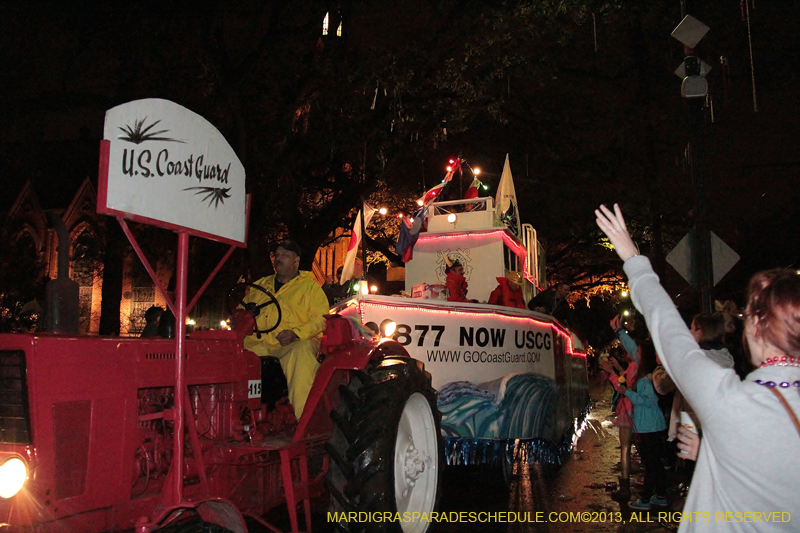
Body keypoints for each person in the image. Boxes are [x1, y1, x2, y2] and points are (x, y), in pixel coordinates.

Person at [596, 203, 800, 530]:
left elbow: (670, 332)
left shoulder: (729, 399)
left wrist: (634, 260)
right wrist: (710, 446)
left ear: (755, 328)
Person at [242, 239, 329, 420]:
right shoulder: (259, 286)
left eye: (284, 255)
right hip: (259, 344)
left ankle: (306, 420)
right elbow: (242, 314)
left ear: (296, 261)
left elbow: (321, 319)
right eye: (277, 254)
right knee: (225, 354)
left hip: (290, 345)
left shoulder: (310, 288)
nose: (278, 259)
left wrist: (296, 333)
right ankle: (235, 416)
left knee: (300, 353)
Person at [620, 340, 668, 510]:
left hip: (648, 427)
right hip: (652, 425)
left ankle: (646, 499)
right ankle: (660, 495)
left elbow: (648, 402)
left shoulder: (645, 380)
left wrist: (627, 393)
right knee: (655, 464)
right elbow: (632, 348)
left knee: (650, 465)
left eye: (639, 352)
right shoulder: (648, 372)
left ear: (644, 356)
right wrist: (619, 332)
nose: (635, 354)